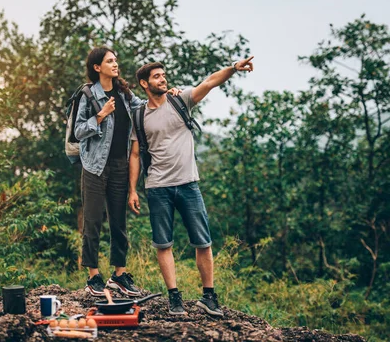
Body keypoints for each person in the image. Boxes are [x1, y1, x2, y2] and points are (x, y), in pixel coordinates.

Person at [128, 56, 255, 316]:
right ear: (144, 84)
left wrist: (233, 69)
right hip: (157, 187)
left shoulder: (180, 99)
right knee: (163, 244)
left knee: (203, 242)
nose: (163, 79)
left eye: (163, 75)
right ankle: (174, 298)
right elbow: (135, 154)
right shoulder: (139, 115)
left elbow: (209, 82)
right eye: (156, 77)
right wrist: (132, 190)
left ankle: (208, 297)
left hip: (189, 184)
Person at [74, 46, 181, 297]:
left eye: (116, 60)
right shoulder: (88, 94)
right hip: (94, 167)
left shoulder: (123, 93)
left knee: (119, 223)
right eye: (110, 61)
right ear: (97, 67)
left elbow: (145, 105)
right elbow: (78, 131)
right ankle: (93, 277)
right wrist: (100, 115)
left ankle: (119, 275)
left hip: (120, 166)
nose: (115, 64)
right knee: (92, 222)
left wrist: (169, 94)